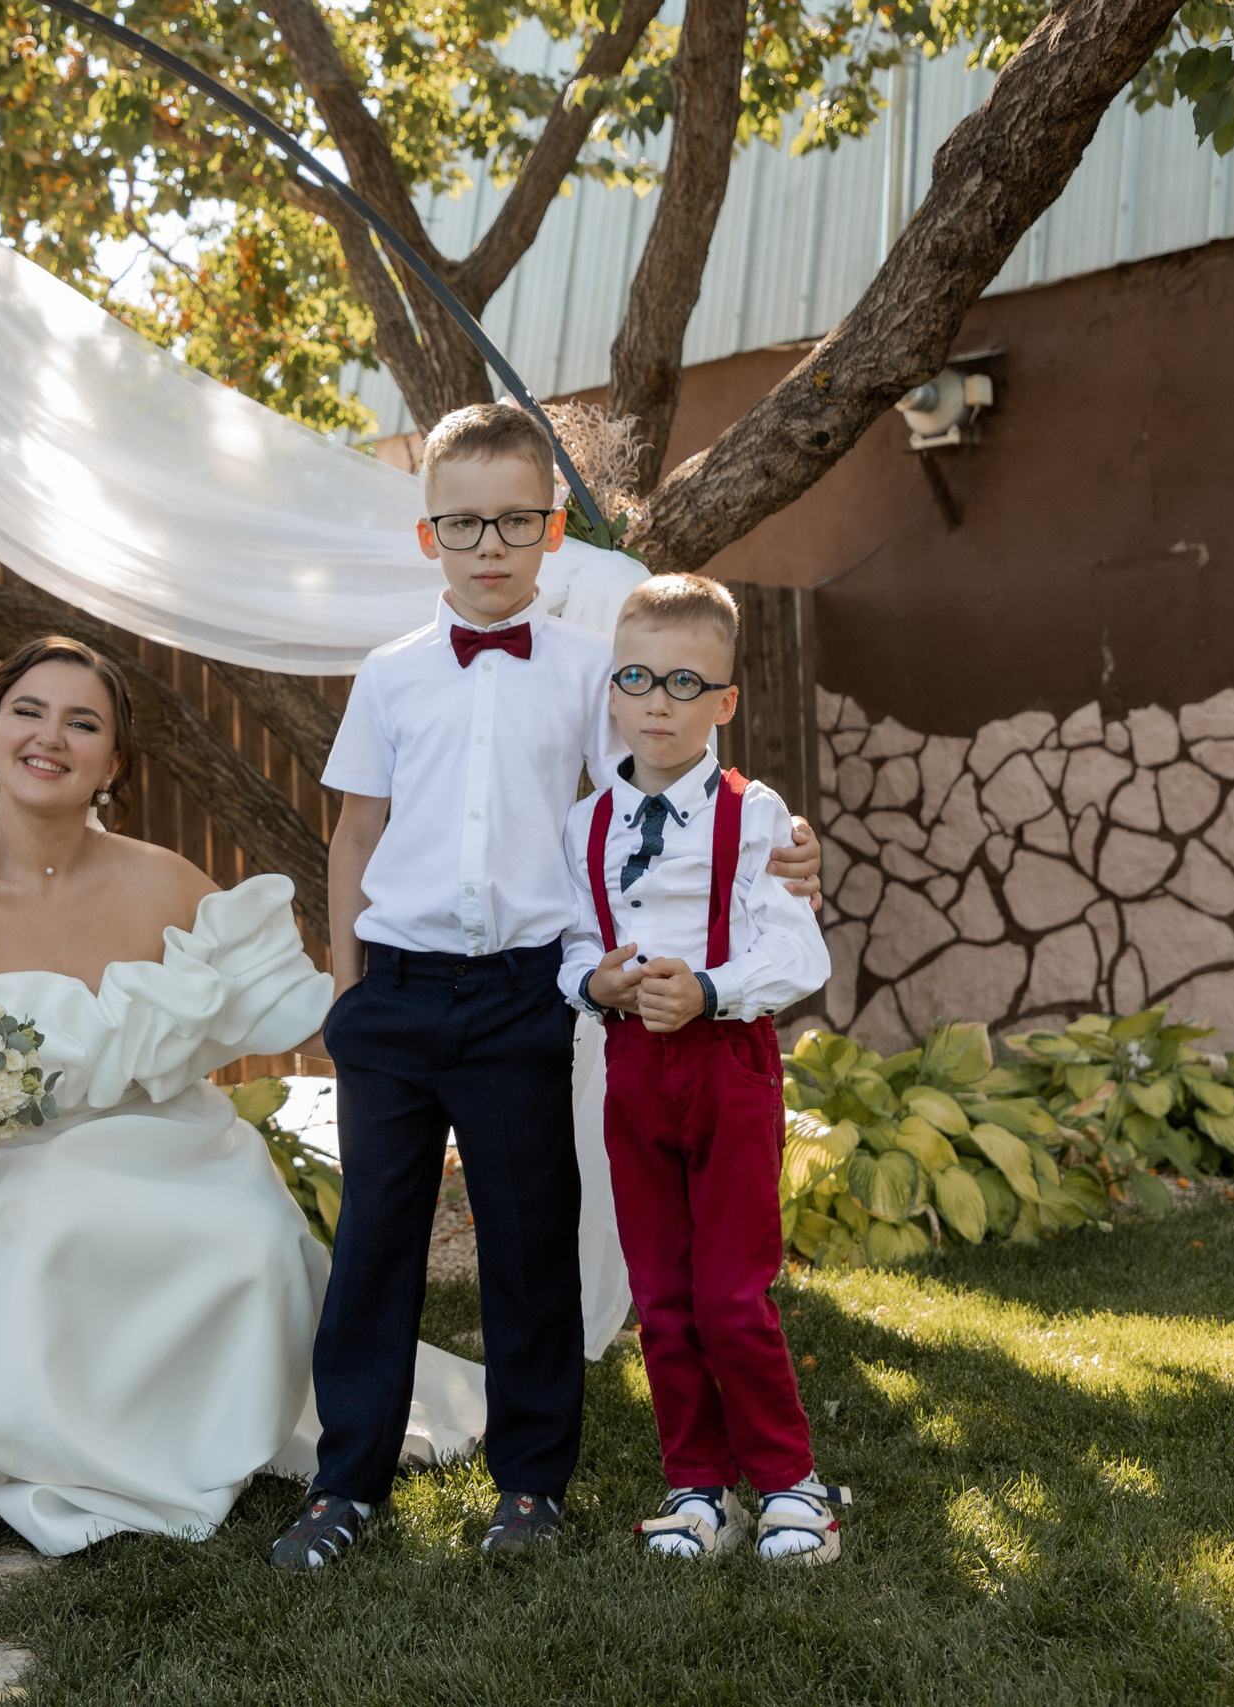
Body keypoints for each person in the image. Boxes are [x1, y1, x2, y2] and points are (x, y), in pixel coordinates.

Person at [0, 636, 487, 1555]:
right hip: (21, 1163)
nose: (51, 737)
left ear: (112, 762)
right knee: (51, 1212)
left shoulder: (164, 879)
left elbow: (291, 1002)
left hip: (178, 1142)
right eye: (28, 713)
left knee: (259, 1237)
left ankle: (208, 1429)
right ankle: (66, 1441)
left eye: (83, 723)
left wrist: (431, 1033)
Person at [279, 404, 822, 1570]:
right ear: (427, 535)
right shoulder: (389, 674)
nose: (490, 546)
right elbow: (354, 833)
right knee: (374, 1242)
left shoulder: (591, 672)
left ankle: (530, 1483)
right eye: (463, 524)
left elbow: (658, 803)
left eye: (515, 521)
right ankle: (344, 1483)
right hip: (394, 992)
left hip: (526, 994)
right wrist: (345, 989)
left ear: (553, 530)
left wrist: (778, 847)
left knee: (530, 1244)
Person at [562, 572, 844, 1564]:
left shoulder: (756, 815)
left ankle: (790, 1484)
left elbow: (799, 953)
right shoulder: (586, 824)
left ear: (724, 702)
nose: (658, 702)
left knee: (730, 1294)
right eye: (637, 678)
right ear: (612, 691)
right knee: (662, 1293)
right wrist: (593, 982)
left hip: (727, 1063)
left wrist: (712, 990)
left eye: (686, 683)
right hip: (630, 1068)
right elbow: (572, 939)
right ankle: (697, 1487)